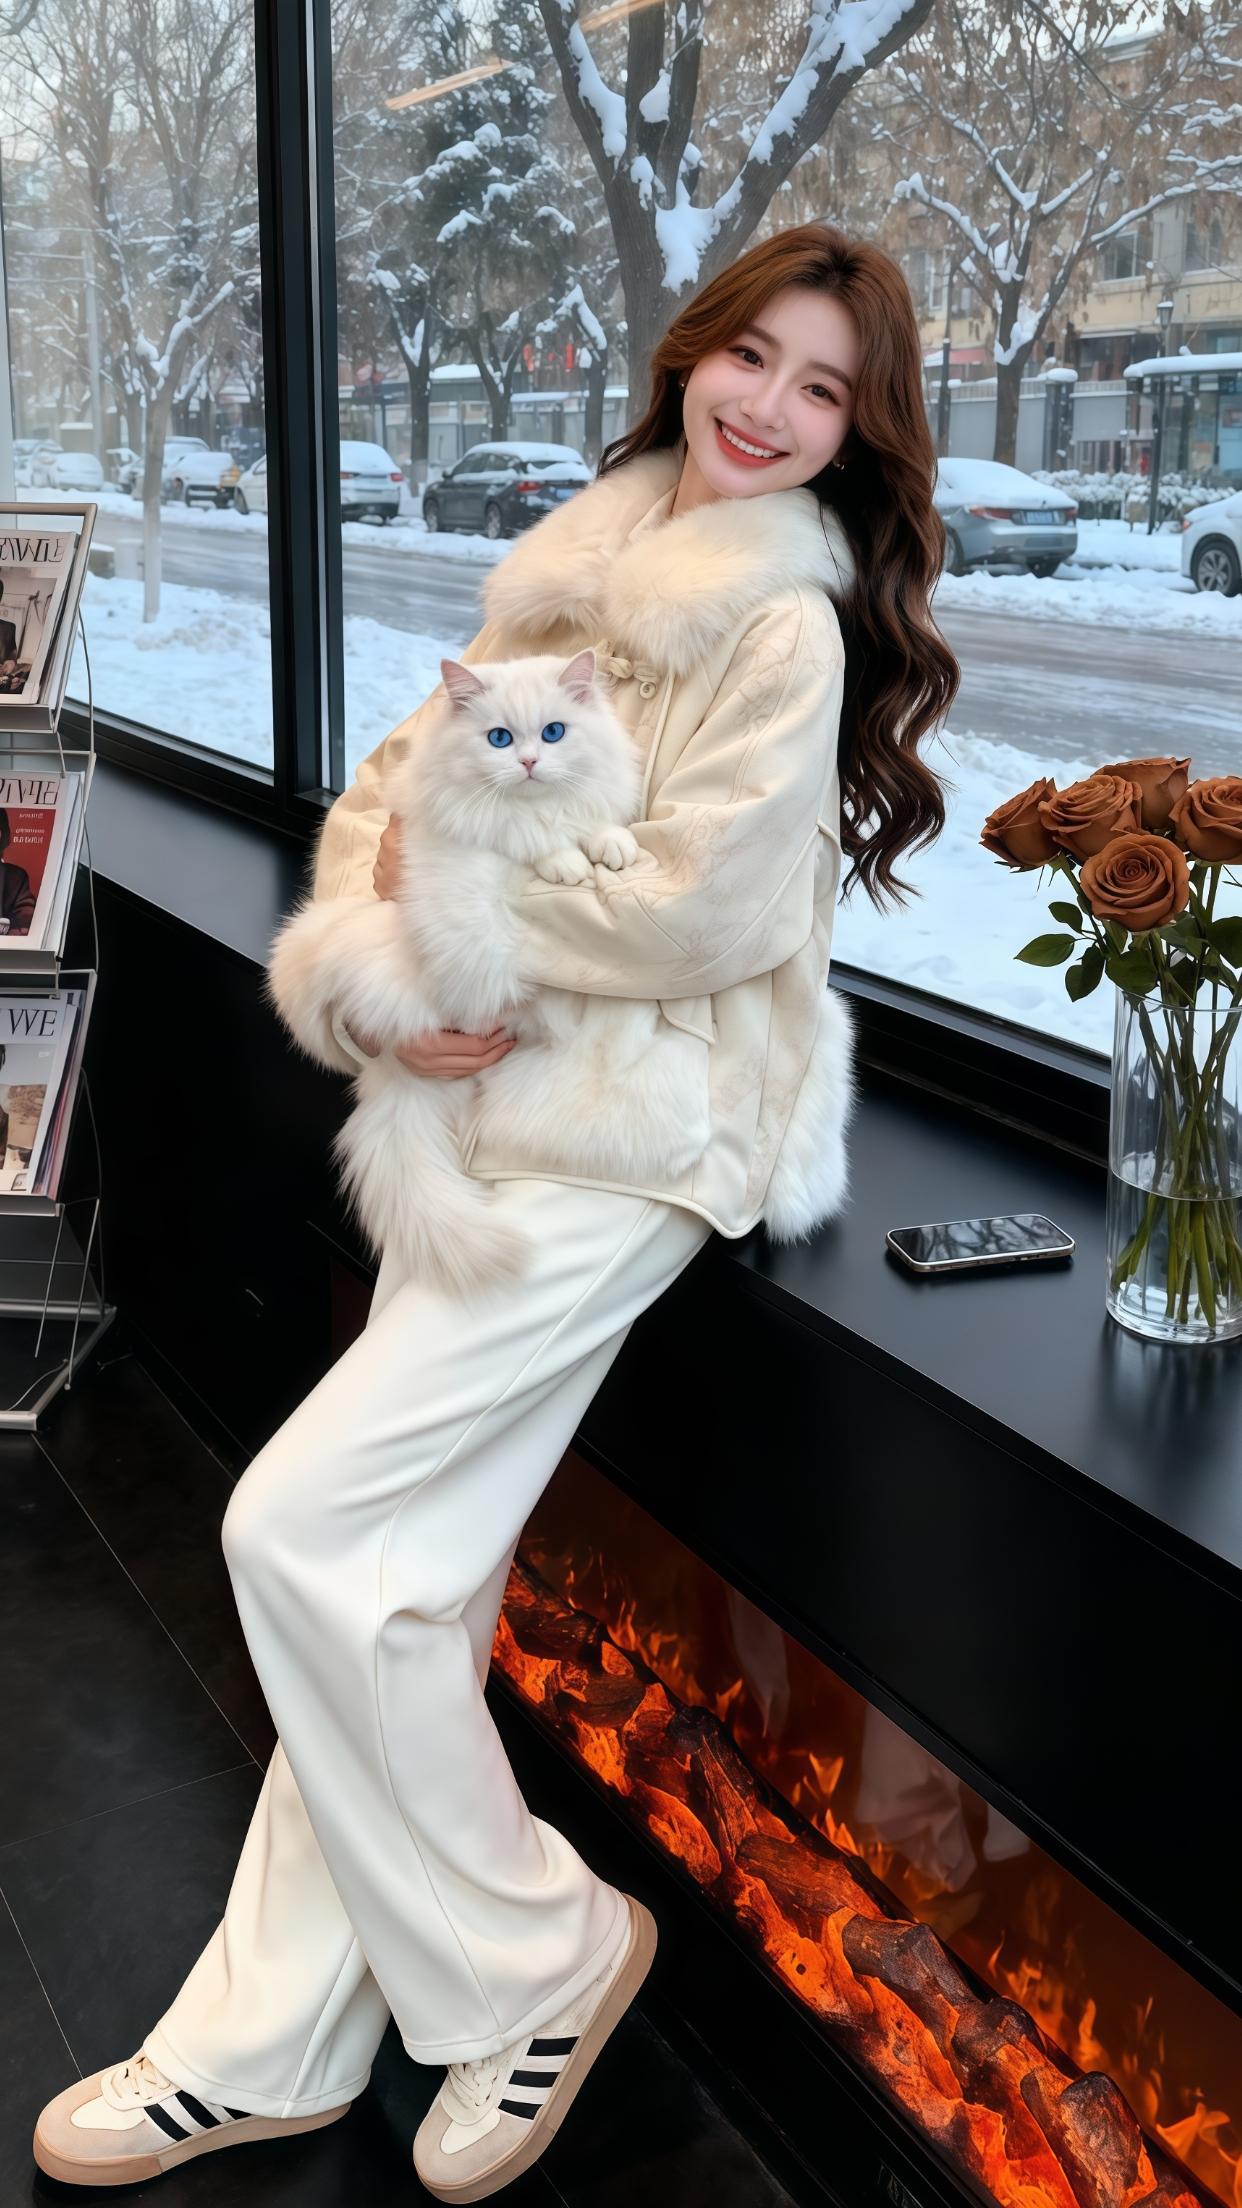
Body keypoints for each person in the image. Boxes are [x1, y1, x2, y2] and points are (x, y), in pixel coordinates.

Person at [33, 220, 958, 2198]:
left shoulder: (782, 623)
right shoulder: (581, 551)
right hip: (482, 1109)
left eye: (823, 390)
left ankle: (538, 1952)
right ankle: (268, 2036)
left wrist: (447, 922)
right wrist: (373, 967)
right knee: (409, 1586)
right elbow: (385, 798)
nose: (770, 409)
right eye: (753, 358)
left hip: (629, 1133)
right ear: (693, 349)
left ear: (858, 432)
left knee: (295, 1531)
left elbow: (700, 909)